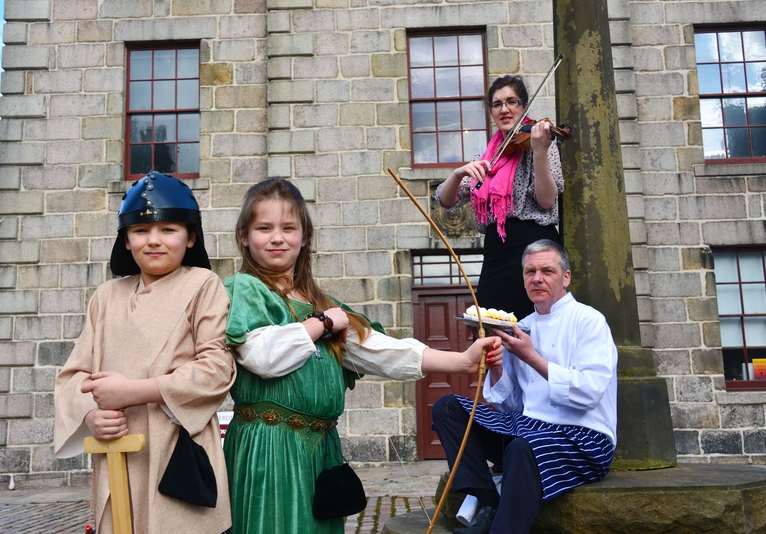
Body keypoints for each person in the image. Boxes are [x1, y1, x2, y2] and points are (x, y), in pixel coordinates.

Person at [223, 177, 503, 534]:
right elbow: (263, 356)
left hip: (320, 453)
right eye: (264, 228)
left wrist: (462, 362)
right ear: (244, 237)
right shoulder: (244, 290)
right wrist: (323, 324)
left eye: (288, 228)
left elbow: (378, 350)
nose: (277, 237)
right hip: (269, 450)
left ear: (304, 237)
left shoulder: (319, 302)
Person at [54, 172, 236, 533]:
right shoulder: (106, 297)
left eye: (168, 229)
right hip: (116, 447)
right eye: (140, 230)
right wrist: (91, 415)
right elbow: (73, 376)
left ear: (191, 237)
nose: (153, 240)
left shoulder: (204, 285)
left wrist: (135, 391)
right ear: (126, 240)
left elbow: (217, 368)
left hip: (175, 449)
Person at [431, 239, 618, 534]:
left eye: (547, 271)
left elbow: (589, 392)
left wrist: (531, 356)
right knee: (447, 408)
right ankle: (488, 500)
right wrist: (495, 364)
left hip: (585, 437)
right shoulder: (521, 326)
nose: (537, 278)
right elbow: (513, 404)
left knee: (521, 445)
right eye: (530, 272)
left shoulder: (589, 321)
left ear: (566, 277)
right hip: (528, 429)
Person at [434, 75, 565, 319]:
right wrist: (458, 173)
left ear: (524, 106)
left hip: (534, 248)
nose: (504, 109)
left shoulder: (541, 145)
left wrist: (540, 152)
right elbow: (444, 200)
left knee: (531, 325)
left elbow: (546, 200)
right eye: (497, 104)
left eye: (511, 102)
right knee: (490, 323)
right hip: (496, 253)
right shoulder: (488, 157)